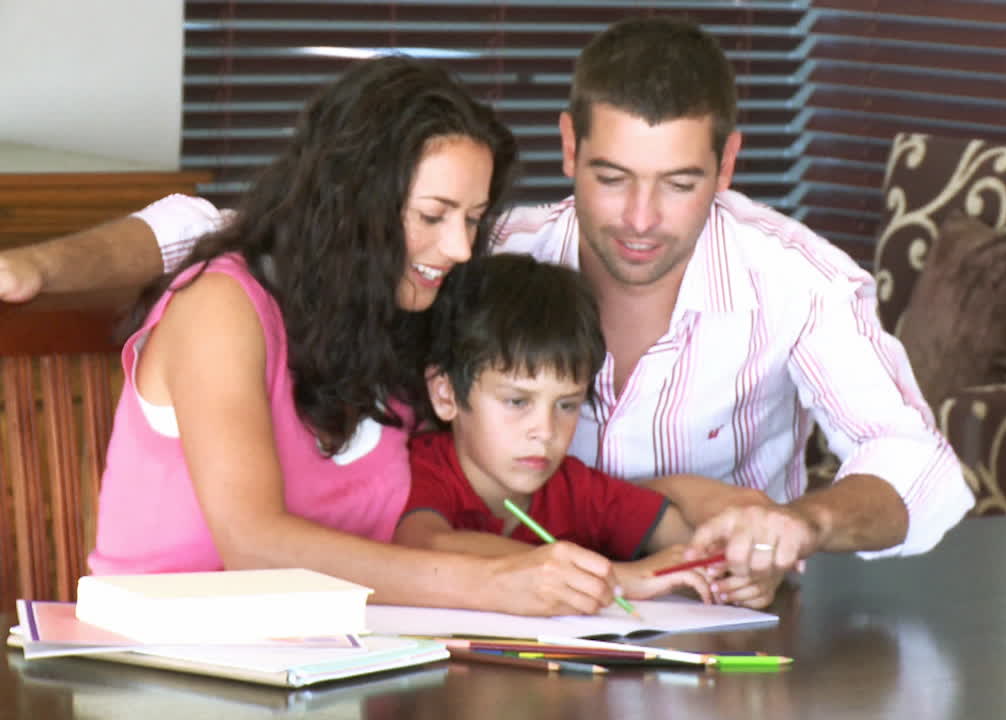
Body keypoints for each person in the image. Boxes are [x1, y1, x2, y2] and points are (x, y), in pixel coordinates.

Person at [0, 18, 974, 585]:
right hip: (390, 630)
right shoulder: (472, 255)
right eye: (608, 176)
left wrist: (793, 523)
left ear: (726, 163)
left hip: (642, 634)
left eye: (678, 182)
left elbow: (914, 464)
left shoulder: (794, 281)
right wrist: (39, 269)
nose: (639, 219)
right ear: (565, 152)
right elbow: (243, 229)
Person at [80, 55, 635, 618]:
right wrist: (489, 584)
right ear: (353, 205)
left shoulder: (403, 313)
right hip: (165, 662)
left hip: (341, 667)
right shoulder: (220, 307)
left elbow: (466, 498)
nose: (461, 249)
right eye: (434, 215)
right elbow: (254, 546)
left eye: (471, 219)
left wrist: (662, 533)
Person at [393, 252, 783, 607]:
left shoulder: (575, 489)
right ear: (445, 394)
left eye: (566, 405)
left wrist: (741, 568)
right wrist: (615, 578)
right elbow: (425, 545)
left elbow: (687, 542)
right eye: (517, 402)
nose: (545, 431)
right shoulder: (423, 468)